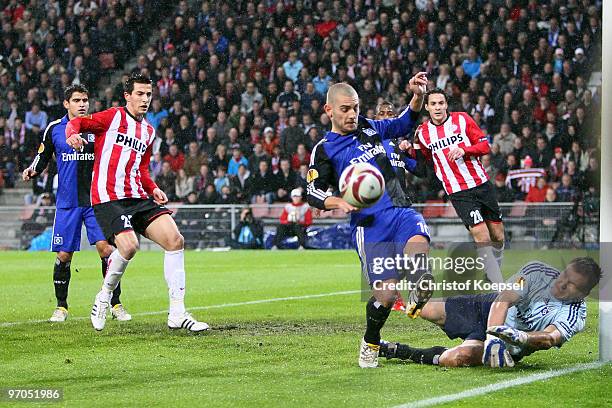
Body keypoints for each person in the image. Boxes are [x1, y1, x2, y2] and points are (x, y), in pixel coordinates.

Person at [306, 73, 434, 368]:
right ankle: (371, 342)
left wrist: (417, 96)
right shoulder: (324, 149)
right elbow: (312, 189)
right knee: (386, 295)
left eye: (355, 108)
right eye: (345, 109)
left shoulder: (369, 127)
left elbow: (403, 124)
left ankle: (419, 284)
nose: (352, 115)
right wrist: (335, 200)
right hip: (369, 225)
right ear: (329, 111)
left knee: (418, 248)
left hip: (399, 208)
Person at [65, 73, 208, 332]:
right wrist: (71, 135)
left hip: (137, 196)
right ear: (127, 96)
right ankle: (104, 295)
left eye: (148, 94)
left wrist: (153, 188)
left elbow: (142, 169)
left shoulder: (148, 131)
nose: (145, 99)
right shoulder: (112, 117)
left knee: (175, 240)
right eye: (140, 94)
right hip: (108, 197)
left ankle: (177, 313)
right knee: (129, 247)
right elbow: (77, 124)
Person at [22, 84, 131, 323]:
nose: (82, 104)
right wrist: (32, 170)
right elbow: (43, 155)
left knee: (107, 250)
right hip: (68, 203)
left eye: (85, 100)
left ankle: (115, 303)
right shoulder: (54, 129)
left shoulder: (97, 127)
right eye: (77, 100)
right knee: (64, 255)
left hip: (96, 201)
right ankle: (61, 307)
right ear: (66, 104)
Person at [379, 258, 601, 368]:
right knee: (426, 310)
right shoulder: (537, 271)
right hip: (487, 307)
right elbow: (502, 301)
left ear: (583, 293)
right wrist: (494, 337)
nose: (561, 284)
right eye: (564, 275)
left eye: (571, 284)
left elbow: (549, 338)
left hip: (510, 346)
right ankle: (406, 299)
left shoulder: (575, 314)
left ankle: (399, 351)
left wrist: (522, 337)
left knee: (456, 358)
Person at [409, 89, 506, 283]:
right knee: (481, 233)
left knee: (498, 235)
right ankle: (498, 282)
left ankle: (493, 268)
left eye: (441, 103)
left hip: (481, 183)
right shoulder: (422, 132)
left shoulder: (462, 119)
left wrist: (464, 150)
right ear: (426, 107)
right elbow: (425, 161)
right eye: (433, 104)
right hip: (457, 190)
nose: (437, 107)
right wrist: (408, 151)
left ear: (446, 105)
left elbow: (484, 146)